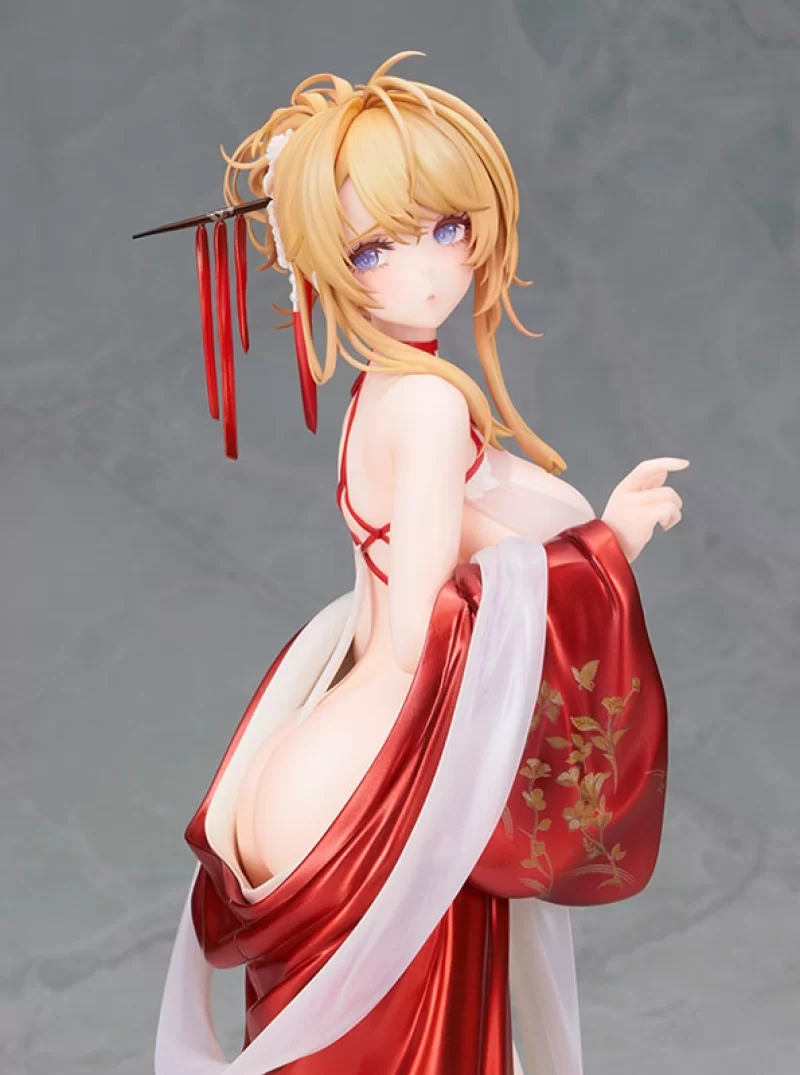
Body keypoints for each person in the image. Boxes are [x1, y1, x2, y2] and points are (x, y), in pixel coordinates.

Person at [153, 51, 688, 1075]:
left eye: (448, 228)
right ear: (323, 264)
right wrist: (606, 548)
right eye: (373, 250)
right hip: (382, 773)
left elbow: (442, 554)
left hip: (314, 756)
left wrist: (575, 544)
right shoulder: (432, 403)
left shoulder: (384, 393)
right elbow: (415, 627)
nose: (430, 268)